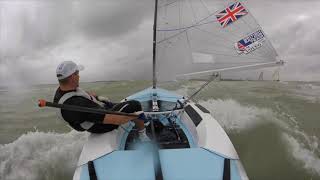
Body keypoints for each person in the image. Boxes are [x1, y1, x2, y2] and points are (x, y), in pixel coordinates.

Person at [53, 61, 150, 141]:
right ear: (72, 77)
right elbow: (115, 119)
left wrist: (98, 97)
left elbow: (81, 94)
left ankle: (138, 120)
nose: (79, 76)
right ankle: (142, 135)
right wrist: (136, 115)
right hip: (100, 125)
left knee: (112, 104)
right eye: (77, 73)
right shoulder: (78, 106)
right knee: (135, 105)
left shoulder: (62, 90)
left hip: (93, 113)